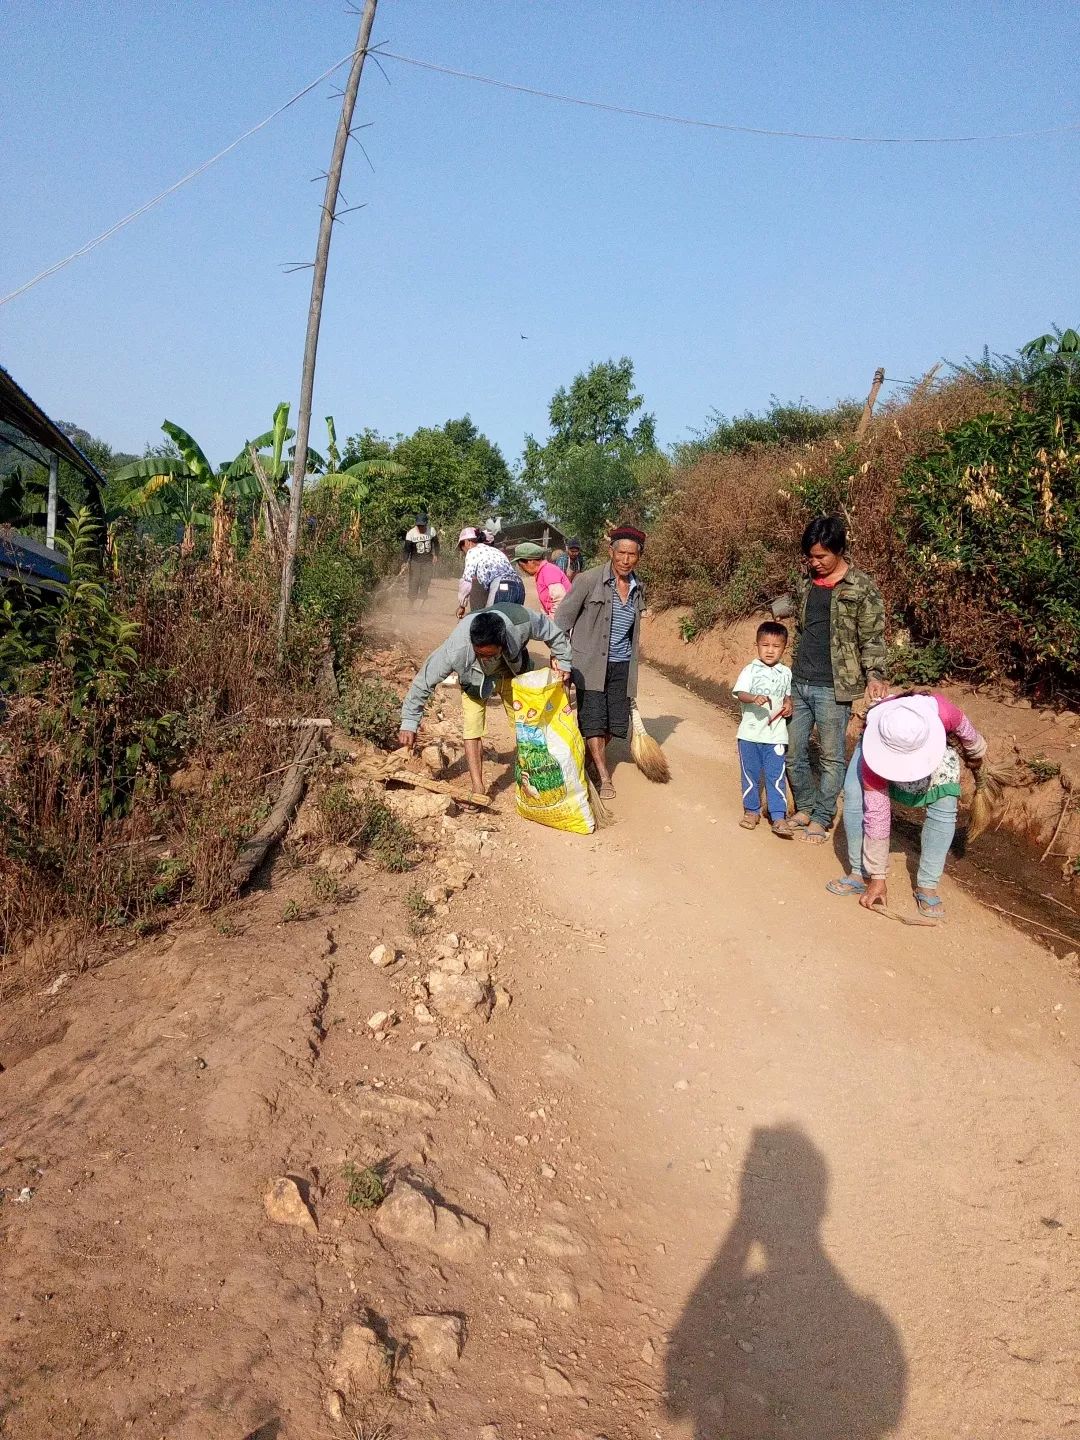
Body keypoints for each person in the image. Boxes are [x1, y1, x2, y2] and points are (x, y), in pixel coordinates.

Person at [828, 691, 986, 920]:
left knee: (945, 805)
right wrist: (878, 877)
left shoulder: (945, 712)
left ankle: (927, 884)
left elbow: (970, 735)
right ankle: (860, 872)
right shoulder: (876, 743)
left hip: (936, 751)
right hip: (879, 744)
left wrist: (976, 754)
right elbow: (877, 815)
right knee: (855, 796)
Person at [780, 515, 887, 846]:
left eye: (821, 556)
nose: (815, 563)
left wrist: (874, 675)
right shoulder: (806, 582)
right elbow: (799, 623)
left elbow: (872, 636)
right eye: (810, 557)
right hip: (799, 681)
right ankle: (807, 806)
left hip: (834, 687)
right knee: (793, 751)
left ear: (839, 549)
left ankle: (823, 817)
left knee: (831, 757)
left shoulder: (862, 588)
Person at [398, 604, 572, 795]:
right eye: (481, 654)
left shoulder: (520, 621)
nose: (487, 659)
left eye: (491, 655)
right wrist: (409, 721)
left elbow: (552, 632)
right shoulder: (456, 649)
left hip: (511, 674)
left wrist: (563, 660)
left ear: (502, 642)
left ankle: (535, 774)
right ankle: (478, 788)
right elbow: (424, 681)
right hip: (474, 681)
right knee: (472, 728)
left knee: (527, 725)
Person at [554, 525, 647, 800]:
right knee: (594, 719)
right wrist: (560, 657)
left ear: (638, 557)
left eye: (632, 555)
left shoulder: (638, 587)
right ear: (611, 552)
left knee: (614, 723)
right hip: (589, 663)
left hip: (622, 663)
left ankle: (588, 761)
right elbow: (562, 620)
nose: (626, 560)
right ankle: (605, 777)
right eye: (621, 553)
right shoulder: (588, 580)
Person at [733, 621, 794, 837]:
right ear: (757, 645)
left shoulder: (786, 672)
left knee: (775, 775)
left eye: (776, 646)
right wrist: (753, 698)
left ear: (784, 648)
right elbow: (740, 693)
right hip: (749, 734)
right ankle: (751, 811)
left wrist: (788, 704)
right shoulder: (750, 670)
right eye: (765, 645)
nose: (770, 650)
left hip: (776, 735)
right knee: (750, 774)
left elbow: (786, 695)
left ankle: (778, 816)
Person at [456, 527, 524, 617]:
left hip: (501, 586)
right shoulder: (495, 551)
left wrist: (462, 605)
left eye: (462, 547)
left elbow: (467, 581)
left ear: (467, 542)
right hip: (519, 586)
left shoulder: (472, 552)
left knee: (489, 623)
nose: (463, 551)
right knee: (510, 622)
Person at [513, 542, 569, 617]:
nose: (521, 568)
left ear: (531, 562)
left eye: (520, 564)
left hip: (563, 619)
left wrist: (551, 624)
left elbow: (559, 600)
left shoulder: (548, 571)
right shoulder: (541, 573)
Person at [400, 512, 439, 607]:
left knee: (425, 581)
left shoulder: (432, 530)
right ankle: (411, 604)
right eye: (419, 525)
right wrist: (405, 562)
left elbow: (436, 544)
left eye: (422, 525)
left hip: (427, 562)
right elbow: (407, 550)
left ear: (426, 524)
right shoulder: (411, 534)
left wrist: (436, 555)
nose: (421, 527)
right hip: (415, 562)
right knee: (414, 582)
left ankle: (420, 606)